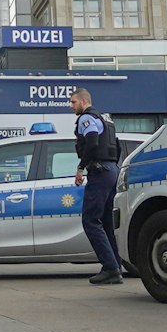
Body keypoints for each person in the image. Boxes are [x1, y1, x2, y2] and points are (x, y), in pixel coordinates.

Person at [69, 87, 124, 285]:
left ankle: (110, 268)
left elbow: (92, 142)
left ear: (84, 101)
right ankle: (115, 266)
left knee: (90, 220)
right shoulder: (105, 119)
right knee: (106, 222)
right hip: (111, 170)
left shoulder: (86, 118)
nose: (71, 106)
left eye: (73, 102)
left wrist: (80, 167)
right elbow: (117, 146)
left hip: (100, 172)